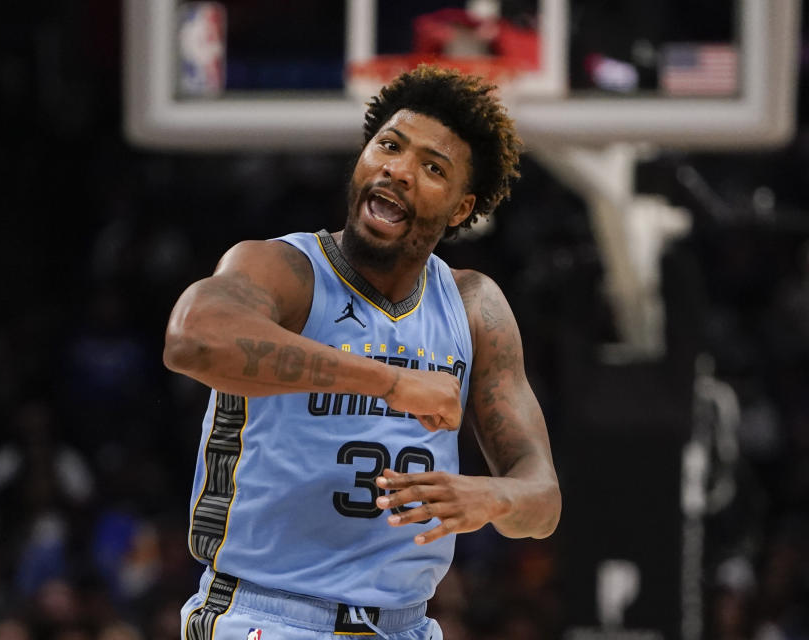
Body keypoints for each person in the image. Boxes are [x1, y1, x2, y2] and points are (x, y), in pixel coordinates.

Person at [163, 64, 561, 640]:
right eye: (389, 146)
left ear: (459, 208)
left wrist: (490, 497)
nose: (398, 171)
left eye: (432, 167)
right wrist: (390, 382)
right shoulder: (286, 271)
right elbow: (193, 338)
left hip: (403, 626)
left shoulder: (474, 307)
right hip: (266, 615)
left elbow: (542, 502)